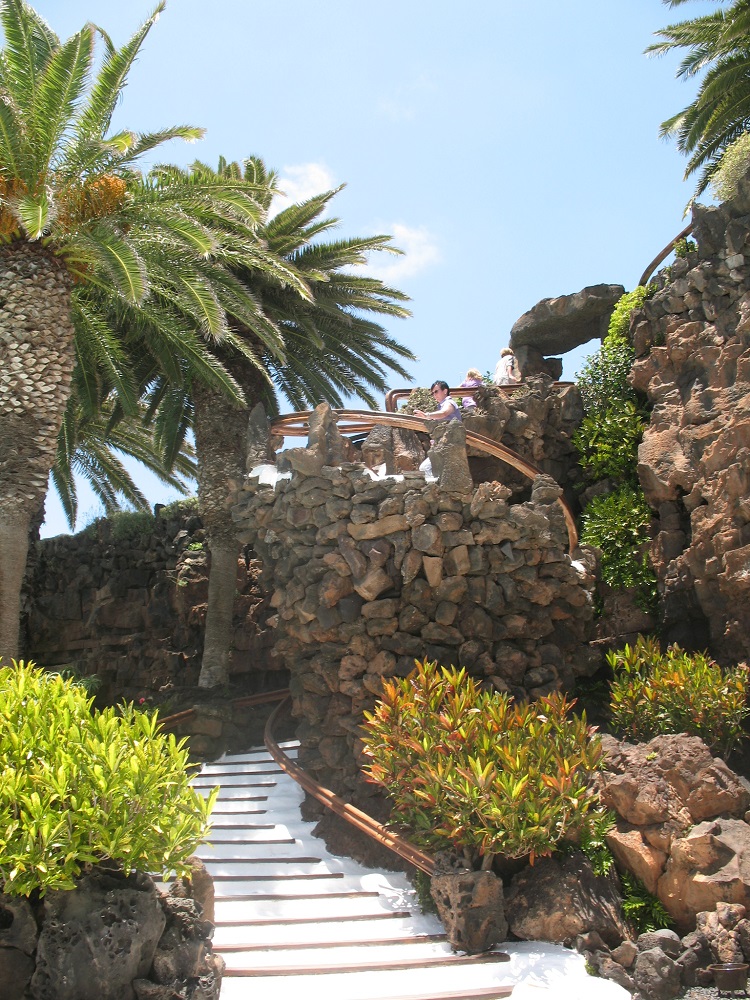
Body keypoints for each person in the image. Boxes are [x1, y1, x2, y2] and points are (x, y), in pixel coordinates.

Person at [414, 380, 461, 478]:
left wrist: (427, 415)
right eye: (432, 393)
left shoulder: (449, 402)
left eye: (436, 391)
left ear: (445, 391)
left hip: (450, 444)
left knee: (425, 468)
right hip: (444, 445)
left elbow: (444, 413)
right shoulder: (441, 406)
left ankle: (434, 490)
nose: (434, 395)